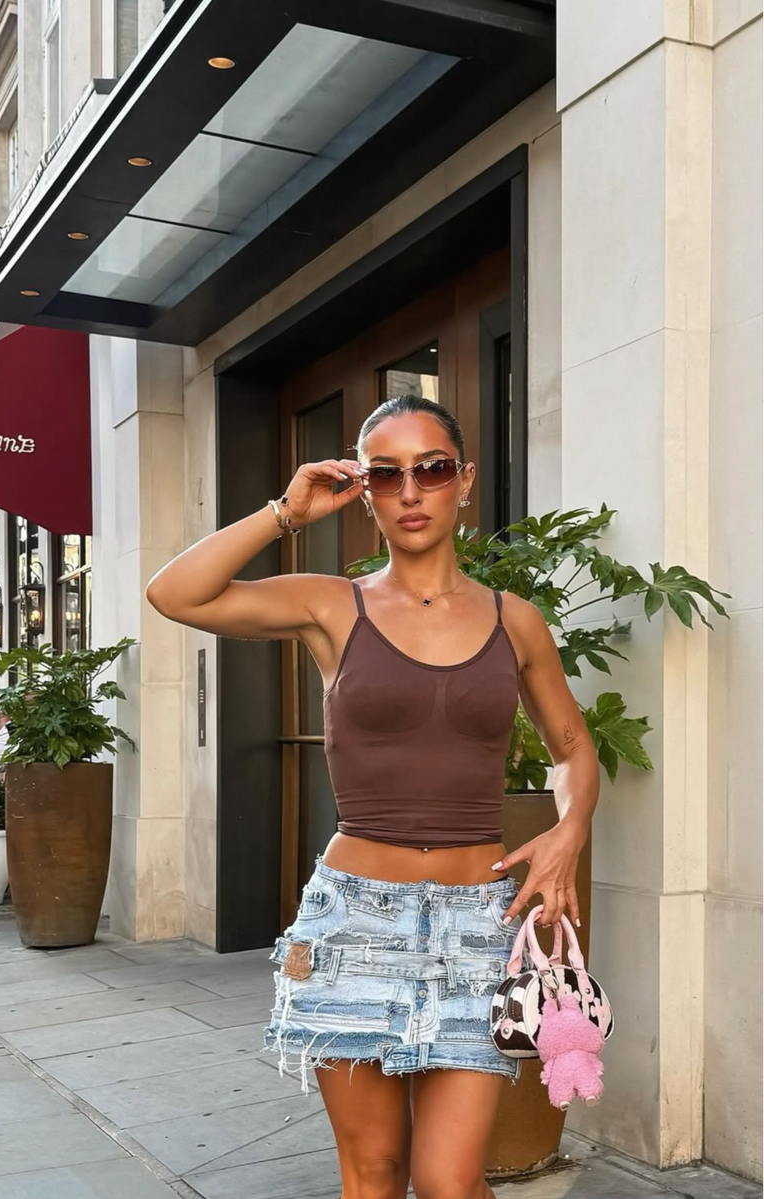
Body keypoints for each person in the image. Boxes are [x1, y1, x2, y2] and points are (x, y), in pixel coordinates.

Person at [147, 395, 599, 1199]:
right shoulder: (332, 604)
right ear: (364, 491)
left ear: (464, 480)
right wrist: (285, 512)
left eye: (431, 469)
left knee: (451, 1179)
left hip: (478, 925)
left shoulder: (515, 620)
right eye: (386, 475)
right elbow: (176, 593)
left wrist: (570, 828)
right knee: (373, 1174)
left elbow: (573, 747)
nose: (411, 491)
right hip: (355, 920)